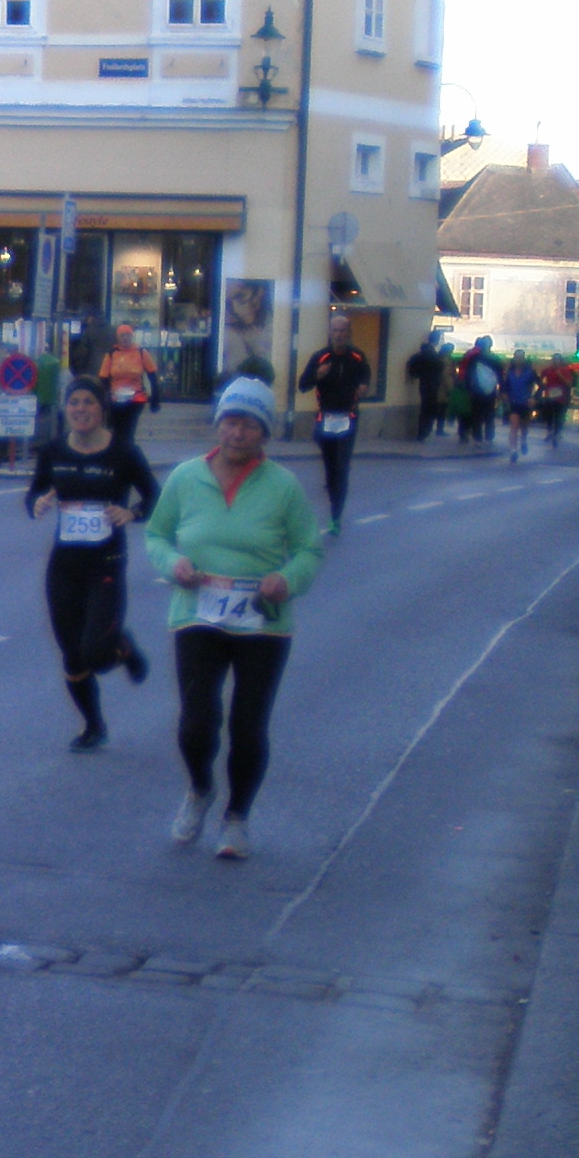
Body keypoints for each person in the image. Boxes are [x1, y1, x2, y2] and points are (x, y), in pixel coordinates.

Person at [144, 376, 322, 861]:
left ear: (264, 433)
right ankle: (200, 789)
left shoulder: (283, 487)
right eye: (229, 421)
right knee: (196, 722)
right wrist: (173, 564)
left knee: (248, 725)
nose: (236, 432)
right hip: (197, 613)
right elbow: (156, 535)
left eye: (248, 424)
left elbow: (309, 549)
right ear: (217, 423)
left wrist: (287, 579)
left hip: (262, 621)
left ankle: (237, 817)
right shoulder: (186, 478)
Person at [25, 373, 157, 751]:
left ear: (102, 410)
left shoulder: (123, 453)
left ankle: (122, 647)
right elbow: (35, 492)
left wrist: (132, 513)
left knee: (96, 652)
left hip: (106, 563)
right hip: (64, 565)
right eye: (74, 403)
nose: (80, 409)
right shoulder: (54, 451)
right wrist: (37, 503)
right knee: (72, 654)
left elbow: (153, 495)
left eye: (88, 403)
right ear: (66, 409)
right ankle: (93, 726)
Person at [295, 309, 371, 533]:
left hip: (348, 418)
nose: (338, 335)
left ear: (349, 333)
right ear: (330, 333)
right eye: (335, 330)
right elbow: (303, 385)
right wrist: (317, 375)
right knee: (330, 470)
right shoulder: (320, 357)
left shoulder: (357, 357)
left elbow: (366, 377)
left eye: (342, 330)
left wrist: (363, 387)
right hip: (326, 418)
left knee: (342, 467)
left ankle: (336, 515)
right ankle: (333, 498)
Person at [99, 324, 159, 447]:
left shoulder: (141, 352)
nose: (125, 338)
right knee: (117, 431)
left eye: (128, 335)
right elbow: (103, 377)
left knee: (129, 430)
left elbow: (152, 375)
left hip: (136, 398)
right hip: (115, 399)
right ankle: (118, 454)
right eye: (122, 336)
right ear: (117, 337)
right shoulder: (112, 354)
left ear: (132, 337)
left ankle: (128, 453)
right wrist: (104, 399)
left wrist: (155, 398)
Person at [405, 334, 446, 442]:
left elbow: (412, 364)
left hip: (425, 383)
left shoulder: (423, 352)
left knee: (426, 408)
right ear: (436, 340)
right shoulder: (431, 354)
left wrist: (415, 375)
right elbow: (437, 368)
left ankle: (423, 433)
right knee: (429, 409)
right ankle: (423, 433)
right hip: (430, 384)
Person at [502, 350, 537, 460]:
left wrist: (534, 398)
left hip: (526, 403)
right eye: (517, 357)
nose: (519, 360)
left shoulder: (530, 372)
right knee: (514, 426)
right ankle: (513, 450)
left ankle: (523, 441)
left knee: (524, 426)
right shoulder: (510, 373)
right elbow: (505, 387)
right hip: (514, 403)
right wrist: (504, 396)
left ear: (524, 359)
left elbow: (540, 386)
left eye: (521, 357)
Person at [536, 352, 575, 449]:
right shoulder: (548, 370)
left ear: (561, 361)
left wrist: (560, 375)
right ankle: (550, 431)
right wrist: (543, 386)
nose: (555, 362)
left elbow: (569, 384)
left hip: (562, 398)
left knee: (559, 416)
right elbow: (540, 378)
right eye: (554, 360)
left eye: (557, 360)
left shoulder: (565, 370)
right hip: (550, 397)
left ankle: (557, 434)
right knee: (549, 415)